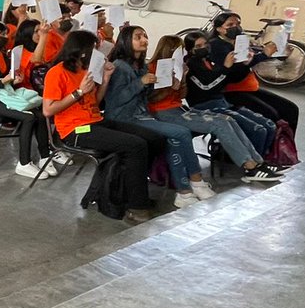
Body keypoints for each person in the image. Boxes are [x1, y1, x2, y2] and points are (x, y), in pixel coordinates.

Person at [42, 31, 155, 222]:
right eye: (94, 48)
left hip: (95, 121)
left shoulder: (86, 70)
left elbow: (95, 101)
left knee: (153, 138)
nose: (97, 52)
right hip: (75, 129)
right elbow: (48, 110)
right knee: (135, 145)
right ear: (81, 50)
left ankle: (127, 191)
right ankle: (137, 206)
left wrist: (106, 79)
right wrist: (78, 93)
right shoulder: (57, 72)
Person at [104, 26, 216, 208]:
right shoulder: (120, 66)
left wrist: (171, 83)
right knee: (180, 132)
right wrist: (140, 83)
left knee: (176, 139)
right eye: (138, 37)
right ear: (126, 42)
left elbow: (144, 98)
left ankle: (184, 191)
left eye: (145, 36)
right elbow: (116, 100)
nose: (144, 40)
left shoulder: (142, 66)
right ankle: (195, 181)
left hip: (141, 115)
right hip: (123, 118)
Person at [147, 35, 282, 183]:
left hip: (179, 108)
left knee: (227, 119)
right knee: (219, 124)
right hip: (163, 112)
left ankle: (257, 161)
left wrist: (182, 79)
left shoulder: (181, 66)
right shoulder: (154, 68)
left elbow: (181, 95)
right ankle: (249, 166)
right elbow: (152, 98)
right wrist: (170, 86)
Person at [0, 21, 59, 178]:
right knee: (28, 118)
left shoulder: (3, 55)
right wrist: (3, 81)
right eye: (2, 34)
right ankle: (24, 163)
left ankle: (45, 156)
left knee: (39, 114)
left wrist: (13, 80)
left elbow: (6, 78)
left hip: (4, 94)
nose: (6, 37)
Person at [182, 31, 280, 159]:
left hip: (223, 102)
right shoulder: (191, 66)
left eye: (205, 44)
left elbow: (228, 79)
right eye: (198, 46)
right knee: (258, 130)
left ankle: (261, 159)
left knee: (269, 125)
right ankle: (253, 164)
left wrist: (243, 63)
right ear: (191, 50)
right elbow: (207, 86)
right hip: (205, 106)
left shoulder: (210, 60)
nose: (204, 48)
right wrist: (226, 68)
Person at [207, 11, 299, 131]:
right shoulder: (217, 46)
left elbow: (248, 61)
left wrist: (274, 53)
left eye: (238, 24)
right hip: (229, 89)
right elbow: (235, 73)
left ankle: (285, 145)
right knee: (271, 115)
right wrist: (263, 55)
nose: (235, 27)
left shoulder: (240, 41)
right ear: (219, 29)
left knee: (291, 109)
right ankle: (264, 146)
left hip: (246, 86)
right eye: (230, 25)